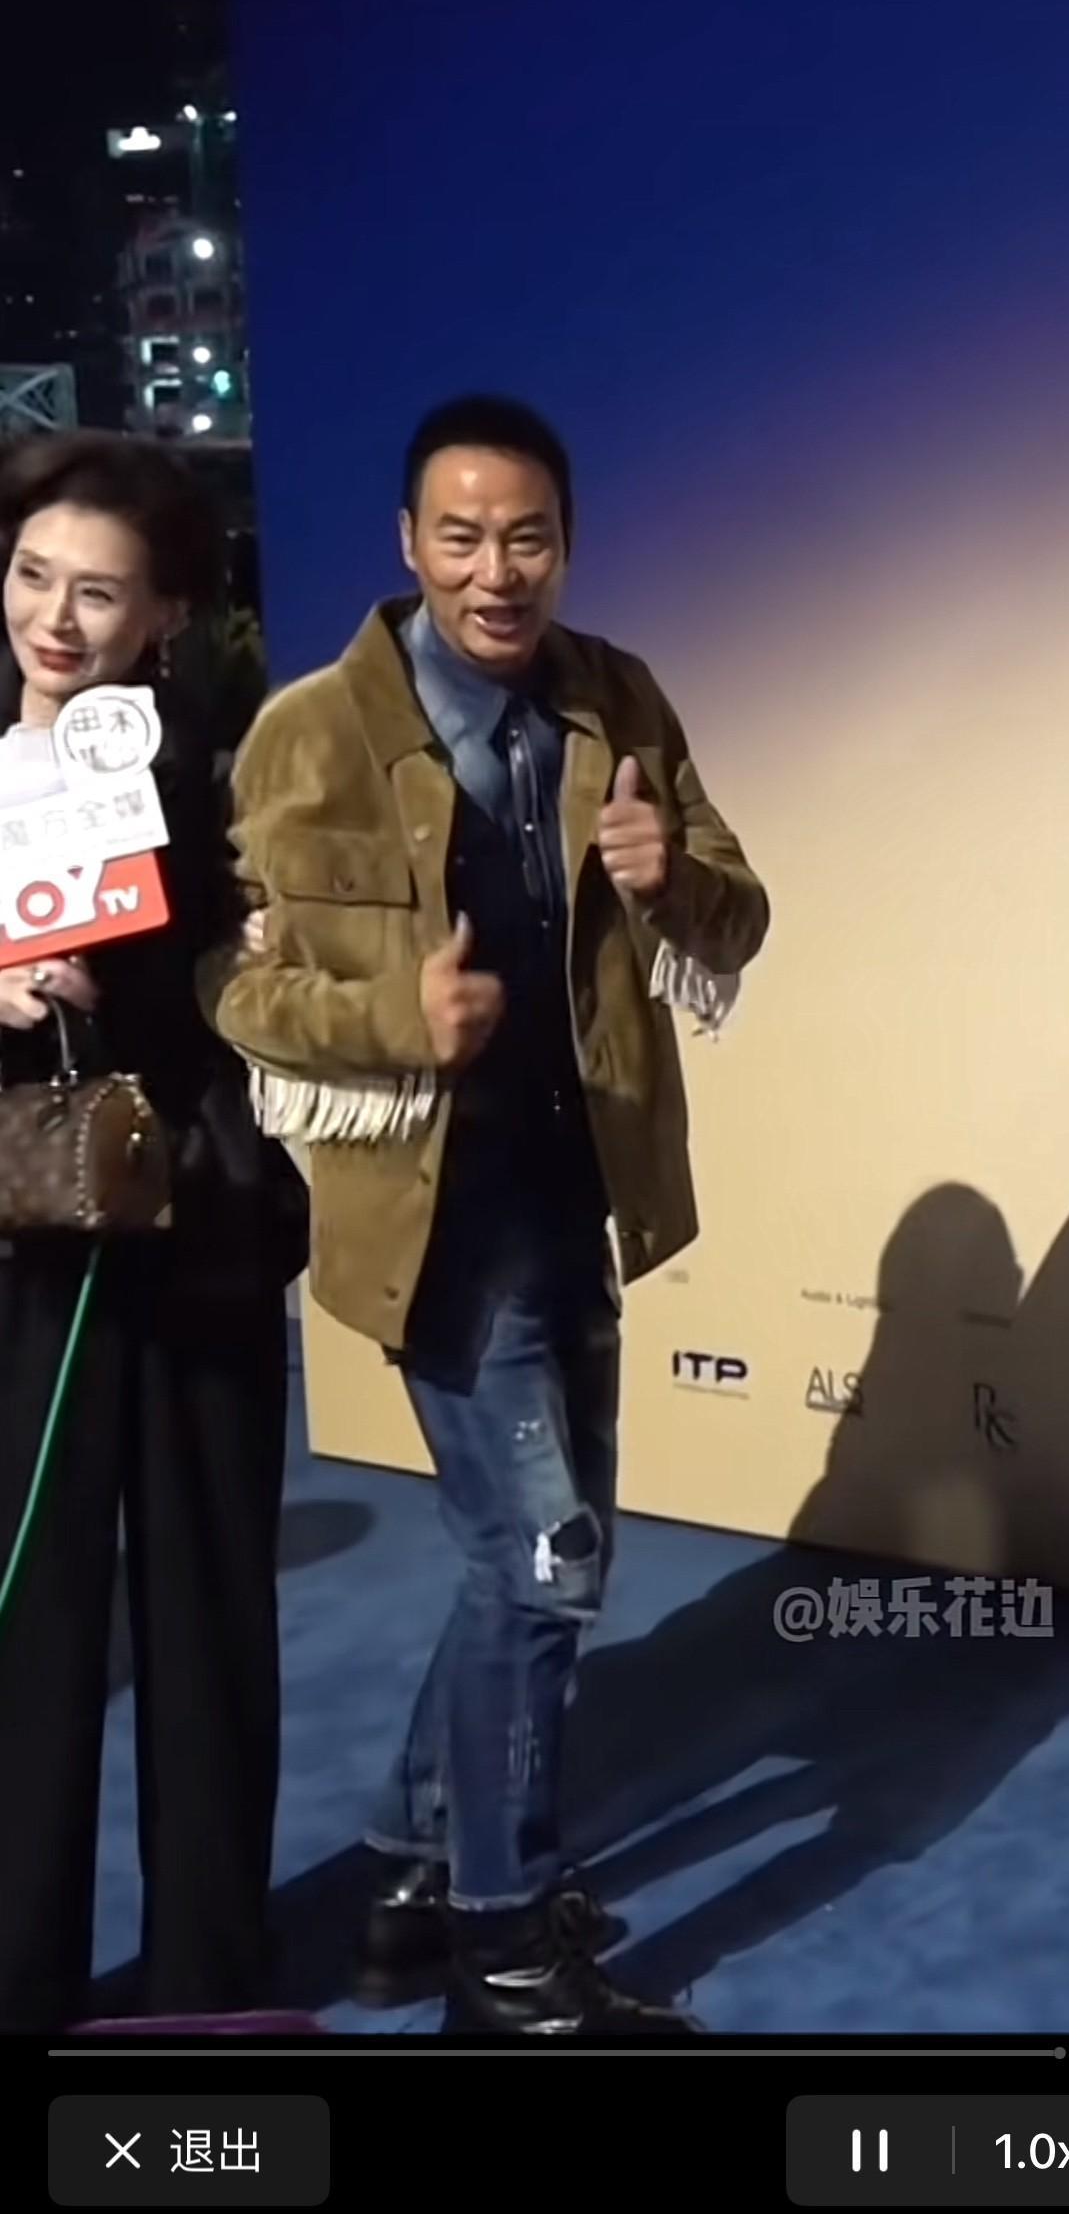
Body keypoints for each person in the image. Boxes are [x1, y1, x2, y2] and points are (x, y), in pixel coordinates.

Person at [207, 394, 768, 2035]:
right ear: (409, 544)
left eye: (526, 537)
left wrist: (671, 881)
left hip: (579, 1196)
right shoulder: (312, 733)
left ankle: (405, 1876)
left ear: (565, 545)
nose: (494, 570)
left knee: (528, 1566)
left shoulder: (620, 697)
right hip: (436, 1225)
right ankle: (505, 1948)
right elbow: (236, 990)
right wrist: (402, 1019)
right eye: (459, 537)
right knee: (541, 1567)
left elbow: (735, 916)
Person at [0, 433, 307, 2033]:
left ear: (167, 613)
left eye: (98, 594)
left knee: (206, 1618)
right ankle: (18, 1973)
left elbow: (269, 1015)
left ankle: (208, 1972)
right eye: (32, 576)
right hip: (22, 1259)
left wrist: (216, 947)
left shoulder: (226, 791)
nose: (55, 621)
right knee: (33, 1627)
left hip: (195, 1233)